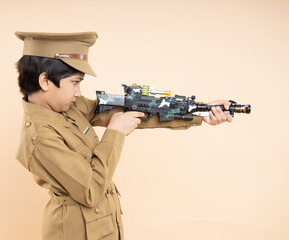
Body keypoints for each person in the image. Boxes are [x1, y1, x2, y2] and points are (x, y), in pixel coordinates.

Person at [15, 31, 232, 240]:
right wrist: (114, 133)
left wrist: (199, 111)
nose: (79, 92)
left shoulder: (67, 107)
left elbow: (127, 110)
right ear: (45, 82)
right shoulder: (40, 136)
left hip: (100, 226)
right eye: (74, 82)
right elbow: (90, 190)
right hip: (74, 231)